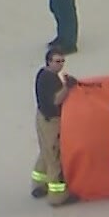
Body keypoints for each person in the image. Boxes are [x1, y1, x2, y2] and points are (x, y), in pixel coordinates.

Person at [31, 48, 79, 206]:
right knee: (54, 157)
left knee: (45, 151)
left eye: (62, 61)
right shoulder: (50, 80)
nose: (61, 65)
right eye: (57, 61)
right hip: (51, 121)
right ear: (49, 61)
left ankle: (38, 184)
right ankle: (57, 196)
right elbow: (56, 100)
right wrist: (68, 87)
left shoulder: (43, 74)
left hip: (42, 117)